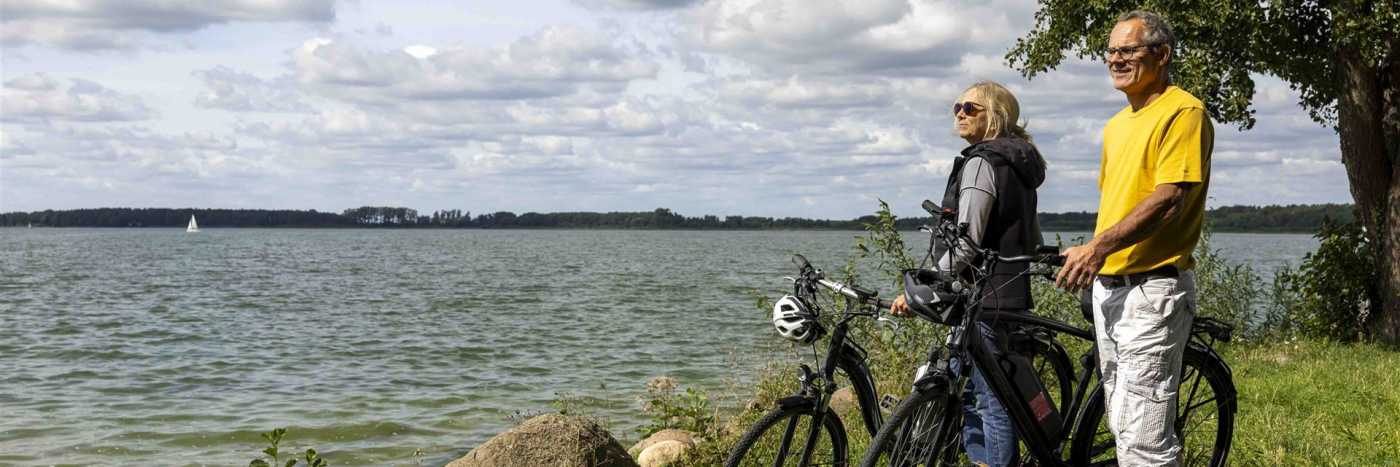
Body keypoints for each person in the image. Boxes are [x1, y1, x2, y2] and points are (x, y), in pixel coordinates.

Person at [1054, 10, 1214, 467]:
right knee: (1123, 424)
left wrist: (1098, 248)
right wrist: (1089, 252)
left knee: (1144, 442)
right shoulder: (1117, 124)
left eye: (1128, 50)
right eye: (1111, 51)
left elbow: (1168, 199)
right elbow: (1119, 206)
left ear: (1161, 55)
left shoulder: (1183, 111)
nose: (1116, 59)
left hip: (1153, 290)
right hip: (1112, 289)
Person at [891, 81, 1046, 467]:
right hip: (1012, 292)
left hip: (983, 298)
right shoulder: (1020, 162)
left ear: (995, 116)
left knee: (992, 403)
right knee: (979, 390)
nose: (959, 113)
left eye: (970, 108)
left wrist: (924, 286)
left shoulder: (983, 161)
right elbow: (1030, 235)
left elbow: (966, 244)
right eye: (957, 106)